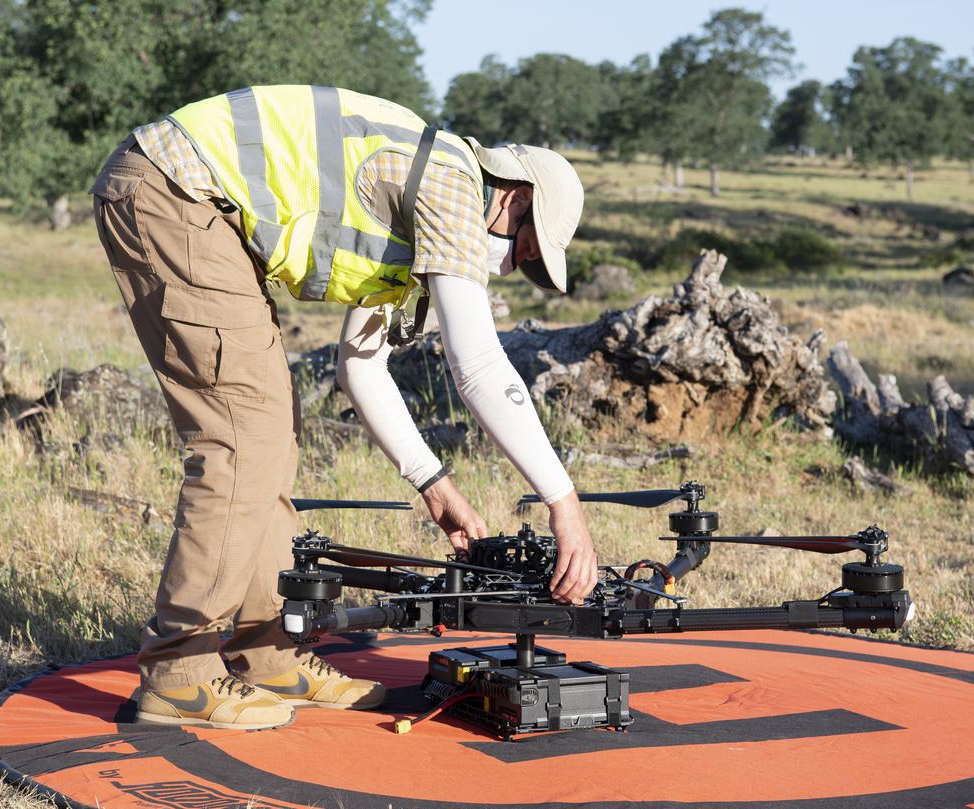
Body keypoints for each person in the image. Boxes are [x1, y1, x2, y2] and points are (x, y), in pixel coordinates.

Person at [89, 85, 597, 731]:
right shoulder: (449, 184)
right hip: (174, 191)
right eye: (520, 250)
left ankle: (267, 653)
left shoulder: (420, 192)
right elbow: (478, 365)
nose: (503, 267)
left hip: (191, 200)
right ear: (514, 197)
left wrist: (433, 485)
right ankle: (178, 672)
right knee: (242, 441)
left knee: (271, 438)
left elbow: (359, 366)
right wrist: (564, 502)